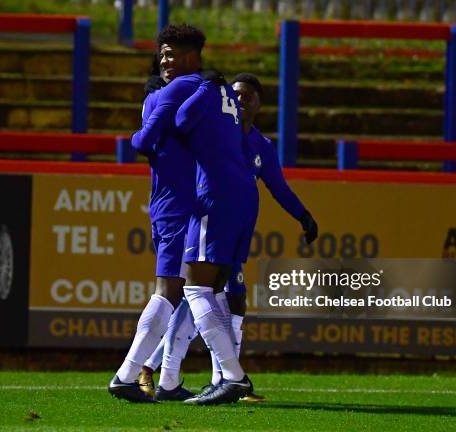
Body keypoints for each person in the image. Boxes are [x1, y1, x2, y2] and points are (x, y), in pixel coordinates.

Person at [139, 73, 318, 403]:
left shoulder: (262, 145)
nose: (242, 100)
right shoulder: (219, 133)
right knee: (199, 293)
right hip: (205, 218)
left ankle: (220, 378)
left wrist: (303, 215)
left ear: (260, 103)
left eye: (249, 95)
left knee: (229, 297)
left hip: (236, 226)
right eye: (237, 95)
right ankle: (166, 371)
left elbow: (278, 186)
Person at [108, 24, 207, 404]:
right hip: (177, 205)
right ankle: (128, 374)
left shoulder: (182, 92)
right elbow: (143, 141)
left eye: (171, 53)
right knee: (173, 291)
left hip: (184, 204)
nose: (164, 60)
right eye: (162, 54)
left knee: (190, 292)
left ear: (191, 56)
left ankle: (167, 380)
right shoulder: (182, 91)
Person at [171, 75, 259, 405]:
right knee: (211, 293)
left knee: (194, 290)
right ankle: (217, 377)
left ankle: (231, 377)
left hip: (214, 204)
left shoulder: (210, 105)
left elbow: (179, 122)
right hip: (236, 208)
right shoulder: (231, 129)